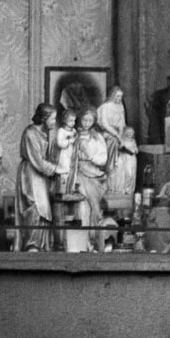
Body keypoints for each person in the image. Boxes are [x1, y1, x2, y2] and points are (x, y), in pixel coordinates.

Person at [14, 103, 59, 252]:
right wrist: (56, 169)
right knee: (34, 207)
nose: (54, 122)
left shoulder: (43, 133)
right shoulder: (30, 133)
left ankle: (39, 245)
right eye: (52, 119)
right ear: (44, 118)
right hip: (30, 175)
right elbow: (38, 161)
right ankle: (32, 245)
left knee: (44, 209)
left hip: (39, 177)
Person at [71, 107, 109, 250]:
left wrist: (91, 156)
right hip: (79, 174)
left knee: (96, 209)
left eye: (90, 120)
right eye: (84, 120)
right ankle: (84, 241)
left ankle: (95, 241)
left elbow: (103, 158)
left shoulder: (97, 137)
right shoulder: (74, 135)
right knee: (82, 208)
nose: (87, 123)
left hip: (94, 176)